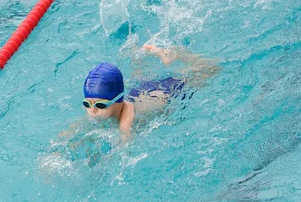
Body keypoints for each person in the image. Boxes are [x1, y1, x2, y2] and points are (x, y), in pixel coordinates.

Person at [82, 44, 219, 138]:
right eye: (87, 104)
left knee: (210, 69)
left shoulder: (126, 122)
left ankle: (175, 55)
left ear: (116, 100)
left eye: (100, 105)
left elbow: (124, 150)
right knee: (139, 75)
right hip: (140, 90)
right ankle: (146, 54)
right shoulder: (99, 108)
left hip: (168, 93)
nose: (92, 110)